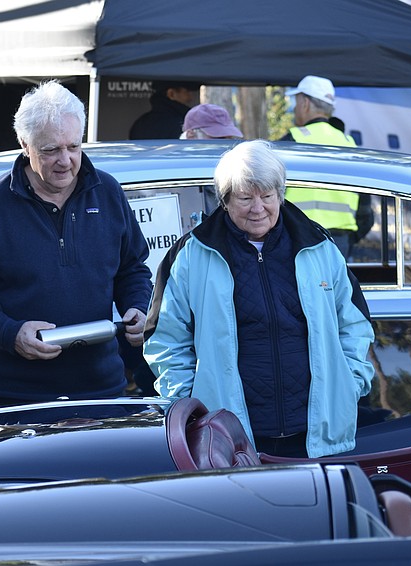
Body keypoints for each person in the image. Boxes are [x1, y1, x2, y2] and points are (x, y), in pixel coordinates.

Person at [143, 140, 374, 458]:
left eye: (267, 196)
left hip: (315, 433)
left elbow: (354, 323)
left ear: (280, 194)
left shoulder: (319, 246)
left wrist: (350, 383)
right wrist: (191, 402)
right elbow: (166, 341)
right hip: (230, 437)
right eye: (245, 198)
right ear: (224, 200)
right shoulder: (190, 255)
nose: (258, 208)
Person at [0, 80, 153, 409]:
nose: (65, 160)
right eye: (50, 150)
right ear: (25, 145)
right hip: (14, 395)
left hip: (100, 387)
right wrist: (9, 333)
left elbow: (133, 268)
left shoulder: (108, 193)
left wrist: (139, 307)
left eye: (73, 147)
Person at [280, 75, 369, 257]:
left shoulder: (292, 140)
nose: (295, 109)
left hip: (300, 240)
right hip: (340, 243)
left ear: (305, 103)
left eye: (296, 103)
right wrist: (348, 240)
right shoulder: (350, 144)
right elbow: (366, 210)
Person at [129, 81, 200, 140]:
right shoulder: (181, 123)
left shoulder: (141, 123)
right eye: (187, 91)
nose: (190, 97)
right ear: (171, 93)